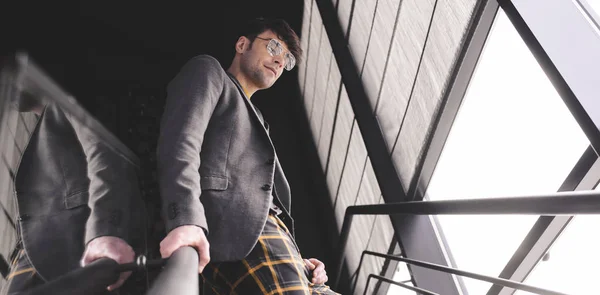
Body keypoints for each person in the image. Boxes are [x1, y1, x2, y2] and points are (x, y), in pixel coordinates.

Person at [157, 18, 338, 294]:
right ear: (243, 44)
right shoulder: (209, 71)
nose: (280, 61)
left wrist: (298, 257)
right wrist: (185, 219)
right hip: (236, 232)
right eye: (275, 47)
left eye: (287, 59)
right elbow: (181, 143)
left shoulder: (260, 120)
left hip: (278, 241)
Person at [2, 89, 142, 294]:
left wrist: (107, 231)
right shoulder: (49, 124)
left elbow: (104, 153)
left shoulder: (70, 91)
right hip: (47, 254)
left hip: (75, 251)